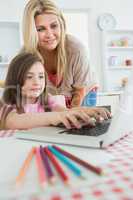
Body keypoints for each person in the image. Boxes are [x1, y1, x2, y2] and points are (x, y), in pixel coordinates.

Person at [1, 52, 110, 130]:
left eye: (41, 76)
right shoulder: (7, 105)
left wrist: (86, 111)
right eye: (29, 77)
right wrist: (54, 117)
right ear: (15, 79)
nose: (37, 82)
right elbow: (12, 122)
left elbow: (64, 111)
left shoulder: (47, 101)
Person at [22, 0, 96, 108]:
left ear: (61, 24)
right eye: (40, 29)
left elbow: (80, 90)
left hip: (83, 92)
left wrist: (72, 113)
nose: (49, 35)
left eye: (54, 26)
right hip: (54, 97)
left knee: (82, 122)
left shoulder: (76, 49)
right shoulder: (25, 56)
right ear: (31, 31)